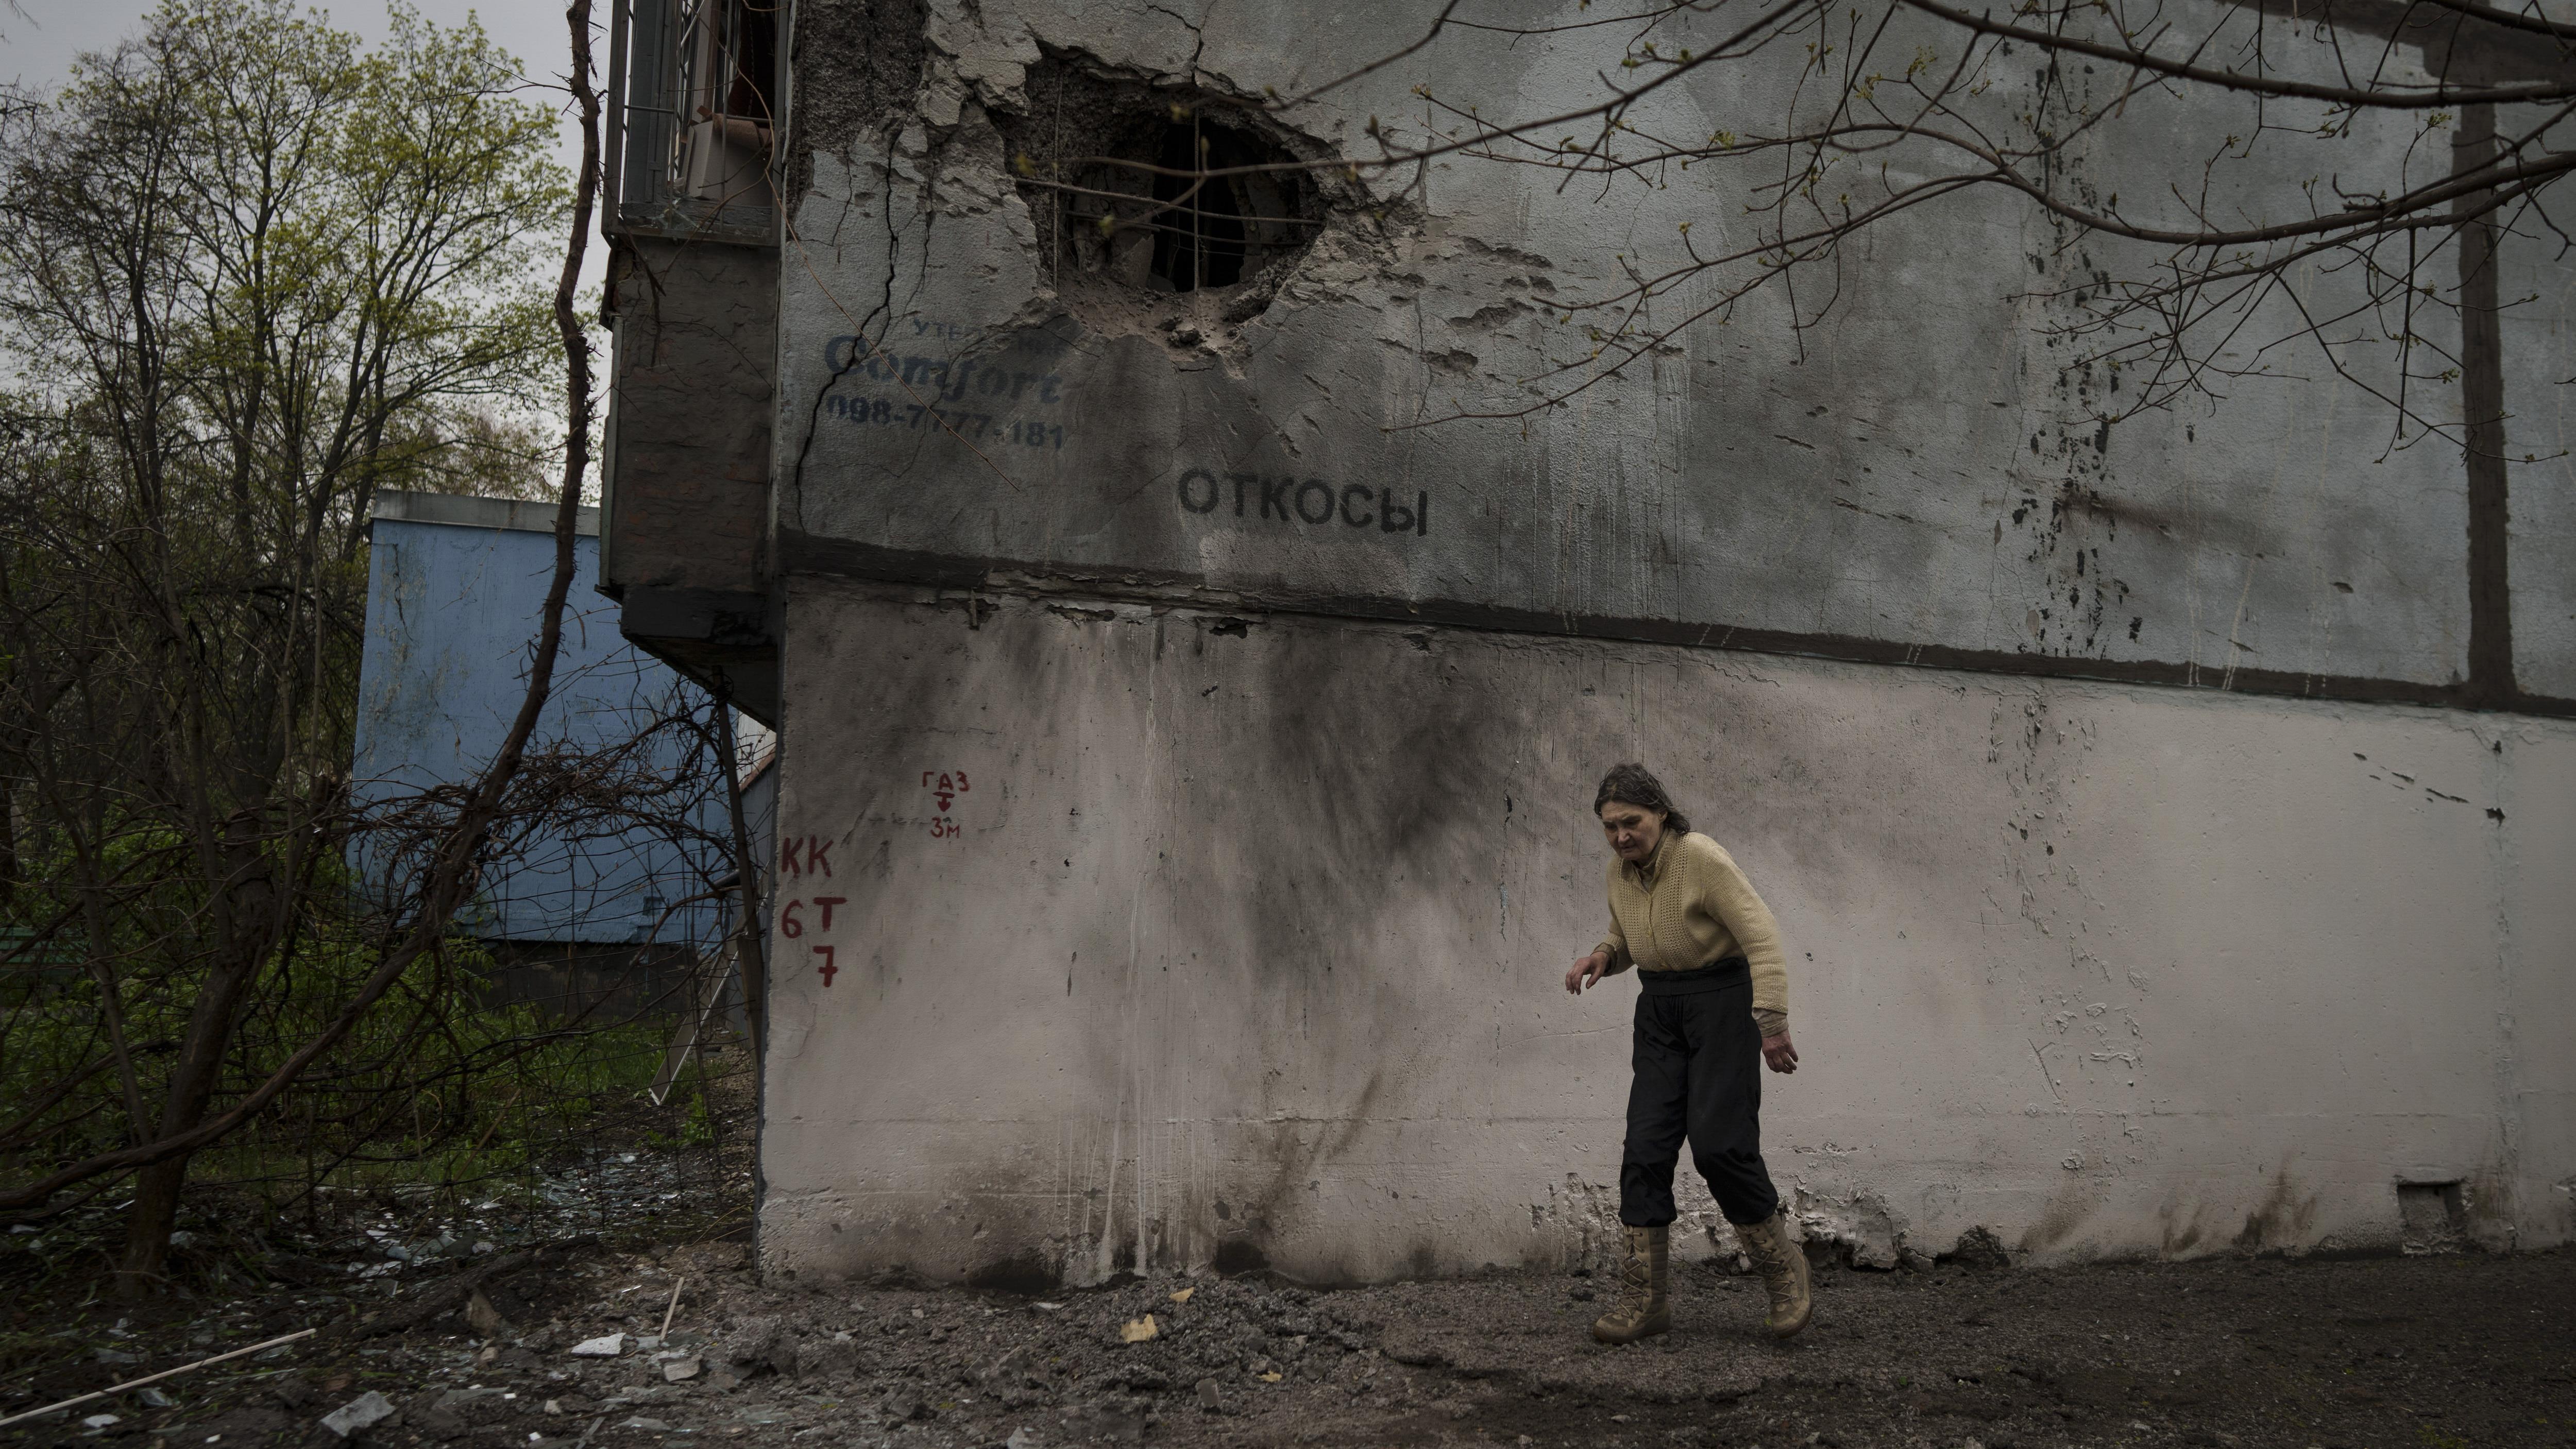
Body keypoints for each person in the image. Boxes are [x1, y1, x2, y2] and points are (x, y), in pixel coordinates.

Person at [1564, 763, 1811, 1344]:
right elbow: (1630, 933)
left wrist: (1770, 1021)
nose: (1621, 835)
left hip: (1722, 1003)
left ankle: (1783, 1269)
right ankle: (1644, 1300)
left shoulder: (1699, 856)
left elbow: (1760, 935)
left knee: (1719, 1143)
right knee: (1644, 1147)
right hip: (1658, 1011)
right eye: (1609, 826)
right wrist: (1603, 953)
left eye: (1631, 822)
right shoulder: (1619, 872)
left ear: (1662, 815)